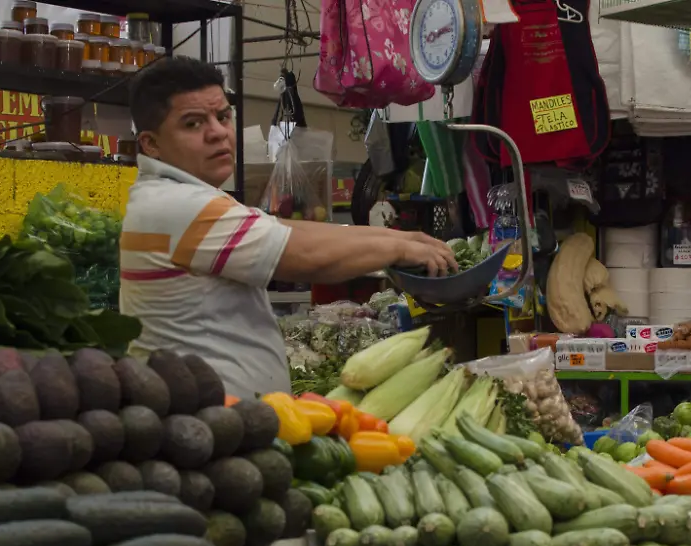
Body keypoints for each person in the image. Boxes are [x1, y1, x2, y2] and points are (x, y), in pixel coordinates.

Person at [118, 57, 457, 398]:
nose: (218, 132)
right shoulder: (178, 206)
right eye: (192, 124)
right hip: (203, 426)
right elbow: (307, 256)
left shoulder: (180, 197)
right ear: (151, 144)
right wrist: (398, 249)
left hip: (220, 420)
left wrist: (403, 238)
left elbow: (292, 231)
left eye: (222, 116)